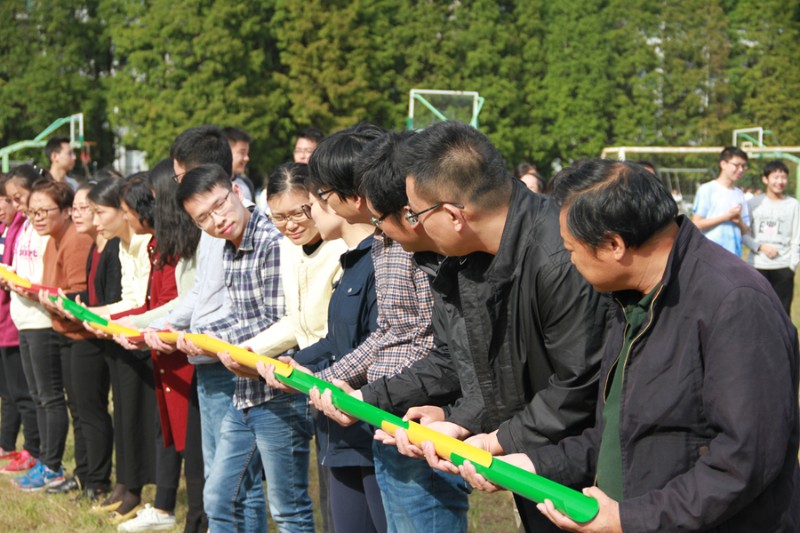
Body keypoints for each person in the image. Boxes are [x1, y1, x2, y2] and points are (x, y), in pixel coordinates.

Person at [462, 158, 800, 532]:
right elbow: (621, 434)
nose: (570, 263)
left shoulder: (734, 302)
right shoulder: (633, 299)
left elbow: (746, 460)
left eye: (572, 250)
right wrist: (536, 465)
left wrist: (630, 519)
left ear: (613, 245)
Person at [339, 122, 606, 532]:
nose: (414, 226)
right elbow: (487, 366)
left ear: (452, 214)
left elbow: (577, 384)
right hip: (535, 459)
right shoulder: (468, 258)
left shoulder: (559, 256)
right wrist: (457, 419)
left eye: (416, 213)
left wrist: (492, 441)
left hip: (589, 475)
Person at [177, 163, 315, 532]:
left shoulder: (272, 243)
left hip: (280, 391)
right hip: (246, 392)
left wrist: (213, 341)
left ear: (237, 193)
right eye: (203, 218)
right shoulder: (229, 247)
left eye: (219, 205)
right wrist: (200, 335)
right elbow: (240, 316)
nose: (216, 220)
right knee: (220, 499)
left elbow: (279, 323)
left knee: (288, 508)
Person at [255, 165, 387, 533]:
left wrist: (317, 373)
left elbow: (377, 341)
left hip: (360, 404)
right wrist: (294, 363)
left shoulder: (365, 255)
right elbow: (317, 331)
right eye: (278, 217)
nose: (296, 222)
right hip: (329, 400)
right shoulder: (298, 250)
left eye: (304, 208)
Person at [84, 177, 156, 522]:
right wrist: (92, 315)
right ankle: (126, 483)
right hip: (124, 335)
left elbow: (141, 303)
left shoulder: (143, 243)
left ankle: (137, 488)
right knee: (123, 414)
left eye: (101, 212)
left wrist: (98, 317)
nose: (96, 222)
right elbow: (128, 301)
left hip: (143, 341)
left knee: (135, 418)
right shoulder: (124, 246)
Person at [2, 165, 50, 479]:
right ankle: (27, 448)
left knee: (34, 395)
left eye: (16, 198)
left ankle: (36, 451)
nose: (16, 205)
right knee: (17, 393)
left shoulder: (31, 224)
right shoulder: (17, 226)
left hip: (27, 321)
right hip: (15, 318)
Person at [743, 160, 800, 316]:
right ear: (765, 179)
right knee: (757, 311)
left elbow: (797, 237)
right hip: (757, 265)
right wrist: (760, 247)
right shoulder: (752, 204)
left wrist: (792, 266)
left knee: (782, 313)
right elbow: (744, 234)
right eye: (775, 177)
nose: (780, 181)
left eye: (783, 177)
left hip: (783, 267)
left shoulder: (793, 205)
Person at [692, 146, 750, 256]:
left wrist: (739, 222)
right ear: (723, 164)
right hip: (710, 255)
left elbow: (745, 231)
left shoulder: (740, 194)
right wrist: (726, 217)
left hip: (734, 256)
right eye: (736, 165)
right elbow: (697, 223)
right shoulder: (707, 189)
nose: (741, 169)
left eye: (743, 166)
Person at [223, 126, 255, 202]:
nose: (247, 158)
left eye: (247, 153)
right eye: (242, 153)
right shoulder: (213, 185)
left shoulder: (247, 183)